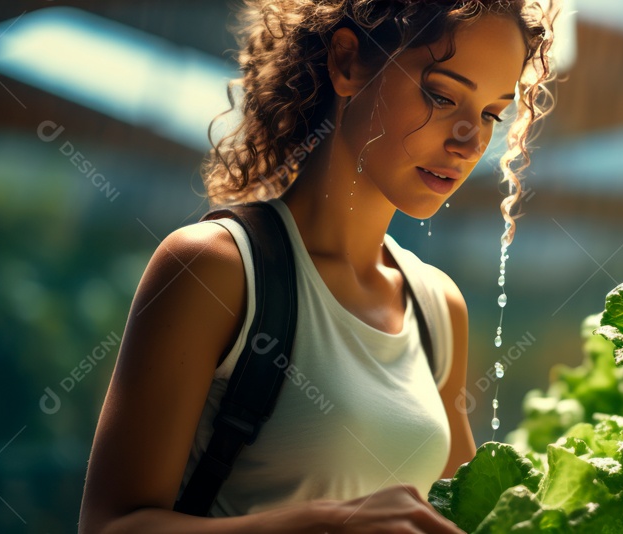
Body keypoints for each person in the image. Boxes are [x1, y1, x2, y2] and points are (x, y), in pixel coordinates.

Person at [79, 0, 555, 531]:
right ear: (347, 64)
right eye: (441, 95)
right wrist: (331, 524)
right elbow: (110, 525)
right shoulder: (216, 269)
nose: (470, 141)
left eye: (492, 113)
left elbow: (469, 515)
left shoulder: (438, 309)